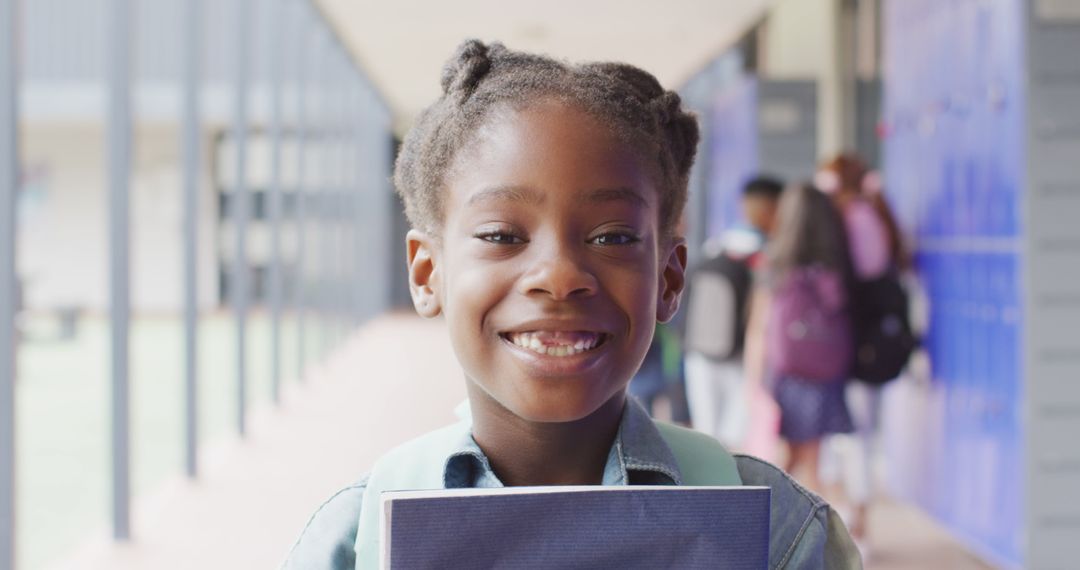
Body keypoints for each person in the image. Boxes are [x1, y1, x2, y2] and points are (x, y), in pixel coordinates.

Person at [281, 40, 860, 569]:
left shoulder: (779, 534)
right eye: (502, 235)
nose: (559, 276)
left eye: (612, 237)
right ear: (428, 273)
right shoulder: (355, 542)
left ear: (668, 276)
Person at [817, 155, 912, 546]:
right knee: (855, 429)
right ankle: (853, 515)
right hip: (866, 342)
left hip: (854, 342)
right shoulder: (871, 214)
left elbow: (859, 275)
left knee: (852, 431)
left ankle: (856, 520)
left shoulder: (852, 218)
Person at [744, 182, 856, 495]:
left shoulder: (776, 266)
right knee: (810, 459)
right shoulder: (836, 265)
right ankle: (809, 527)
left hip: (787, 373)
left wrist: (754, 383)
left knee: (791, 458)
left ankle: (776, 525)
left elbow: (758, 331)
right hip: (825, 373)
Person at [683, 176, 783, 447]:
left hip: (699, 353)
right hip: (742, 356)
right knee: (735, 439)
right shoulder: (770, 254)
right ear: (772, 208)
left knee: (706, 435)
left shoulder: (715, 246)